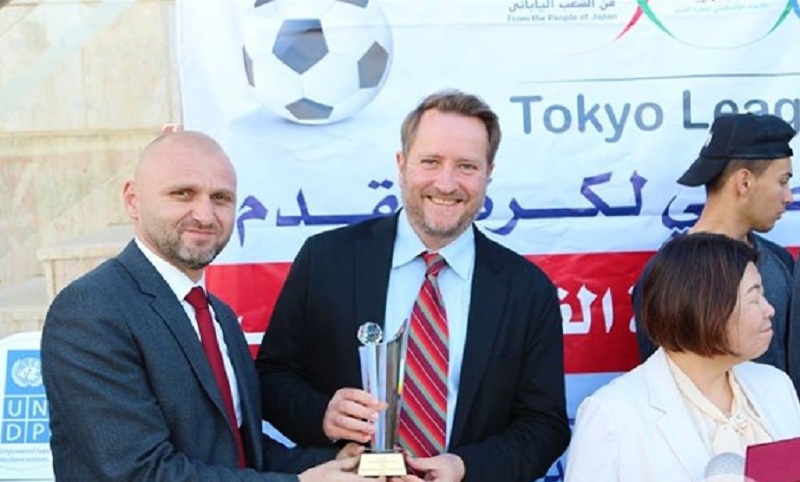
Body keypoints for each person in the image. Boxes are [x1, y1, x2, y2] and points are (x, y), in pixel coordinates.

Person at [256, 90, 570, 482]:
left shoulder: (527, 291)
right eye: (430, 161)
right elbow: (271, 378)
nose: (446, 183)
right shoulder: (327, 260)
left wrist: (464, 467)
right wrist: (323, 415)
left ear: (489, 173)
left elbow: (544, 425)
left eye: (467, 166)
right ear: (402, 164)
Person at [40, 131, 375, 482]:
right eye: (182, 193)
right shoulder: (90, 310)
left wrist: (336, 463)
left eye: (221, 198)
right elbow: (139, 472)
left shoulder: (220, 317)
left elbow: (238, 452)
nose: (204, 215)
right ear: (132, 200)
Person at [566, 233, 800, 481]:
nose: (769, 309)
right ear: (707, 307)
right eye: (754, 298)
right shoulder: (612, 414)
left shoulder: (775, 385)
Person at [632, 112, 798, 393]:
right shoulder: (668, 277)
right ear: (744, 182)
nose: (789, 197)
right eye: (782, 181)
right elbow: (662, 389)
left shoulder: (780, 262)